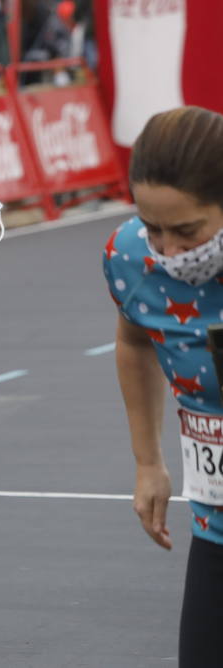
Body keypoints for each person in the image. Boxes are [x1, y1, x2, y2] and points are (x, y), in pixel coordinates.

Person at [103, 107, 223, 668]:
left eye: (188, 230)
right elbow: (134, 340)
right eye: (153, 227)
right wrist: (147, 461)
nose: (169, 251)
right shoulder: (130, 258)